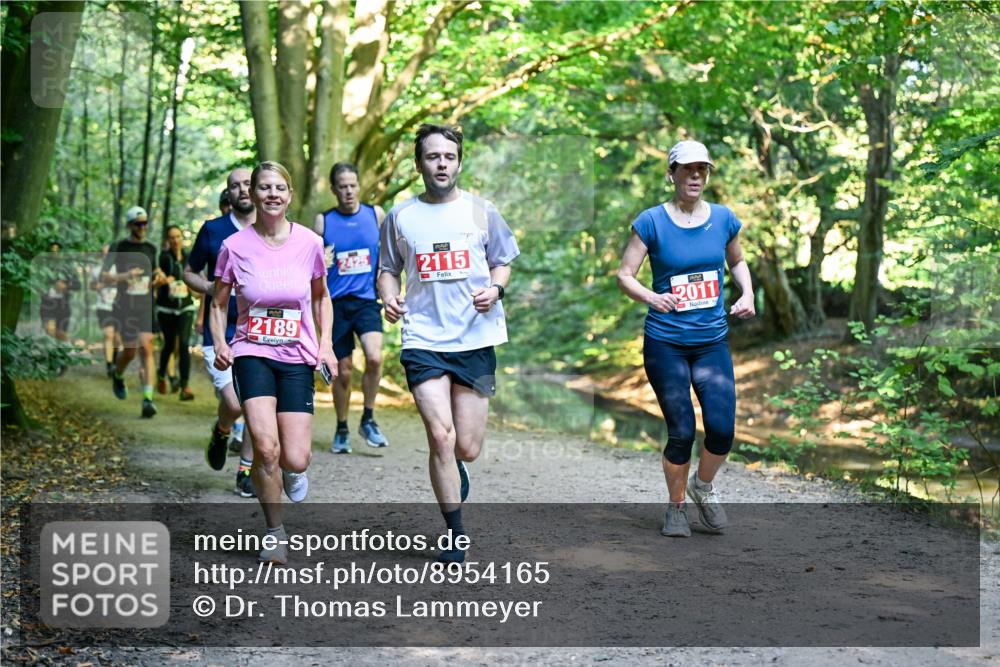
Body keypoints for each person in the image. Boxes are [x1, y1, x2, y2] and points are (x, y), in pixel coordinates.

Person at [379, 124, 519, 563]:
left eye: (449, 156)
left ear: (459, 162)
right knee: (440, 436)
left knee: (466, 447)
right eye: (433, 156)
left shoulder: (481, 212)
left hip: (475, 339)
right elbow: (387, 269)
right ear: (419, 163)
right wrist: (387, 295)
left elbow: (503, 261)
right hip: (423, 338)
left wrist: (495, 290)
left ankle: (455, 467)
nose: (441, 163)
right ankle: (455, 531)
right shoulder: (400, 217)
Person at [616, 140, 755, 538]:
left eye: (702, 169)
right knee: (681, 430)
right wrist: (651, 297)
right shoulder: (651, 222)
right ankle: (676, 507)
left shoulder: (724, 219)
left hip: (711, 341)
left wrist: (746, 293)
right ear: (671, 174)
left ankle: (703, 486)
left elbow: (737, 261)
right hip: (666, 341)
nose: (695, 176)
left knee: (722, 430)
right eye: (687, 169)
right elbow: (625, 274)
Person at [210, 161, 335, 564]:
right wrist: (220, 342)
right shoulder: (235, 246)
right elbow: (218, 302)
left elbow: (320, 297)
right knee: (265, 448)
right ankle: (274, 533)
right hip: (252, 352)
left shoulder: (309, 243)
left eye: (280, 187)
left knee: (294, 456)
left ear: (290, 194)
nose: (272, 194)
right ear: (253, 193)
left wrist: (326, 345)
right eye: (264, 188)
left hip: (297, 354)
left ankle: (295, 471)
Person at [184, 169, 257, 496]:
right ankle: (222, 429)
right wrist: (211, 289)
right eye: (235, 186)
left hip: (261, 333)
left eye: (246, 184)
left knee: (257, 402)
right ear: (228, 193)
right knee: (234, 400)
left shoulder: (272, 229)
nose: (241, 190)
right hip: (221, 332)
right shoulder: (213, 231)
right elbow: (188, 271)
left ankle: (245, 472)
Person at [313, 162, 387, 453]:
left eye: (352, 185)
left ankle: (368, 418)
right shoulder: (324, 222)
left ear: (359, 186)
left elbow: (388, 257)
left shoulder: (375, 215)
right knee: (342, 371)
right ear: (334, 190)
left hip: (367, 301)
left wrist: (387, 287)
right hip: (336, 305)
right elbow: (313, 268)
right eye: (342, 186)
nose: (348, 191)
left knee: (375, 358)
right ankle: (342, 427)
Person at [102, 206, 168, 418]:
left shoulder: (151, 247)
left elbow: (155, 270)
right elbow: (104, 277)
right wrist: (126, 276)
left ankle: (148, 399)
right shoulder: (119, 246)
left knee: (147, 349)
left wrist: (159, 276)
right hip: (124, 306)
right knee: (129, 351)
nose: (143, 227)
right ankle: (118, 374)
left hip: (145, 305)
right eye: (139, 223)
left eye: (145, 223)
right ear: (130, 225)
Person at [156, 225, 197, 400]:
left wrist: (195, 289)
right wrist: (164, 281)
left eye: (178, 236)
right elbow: (157, 280)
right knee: (170, 345)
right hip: (166, 308)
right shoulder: (163, 258)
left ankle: (185, 386)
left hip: (185, 307)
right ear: (168, 240)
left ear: (182, 238)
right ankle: (161, 374)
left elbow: (196, 278)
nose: (175, 240)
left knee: (184, 344)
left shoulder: (189, 257)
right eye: (171, 237)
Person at [39, 241, 79, 344]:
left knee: (61, 332)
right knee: (49, 329)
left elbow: (78, 285)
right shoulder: (42, 267)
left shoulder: (68, 269)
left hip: (63, 304)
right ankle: (71, 345)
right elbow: (36, 283)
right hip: (48, 303)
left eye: (57, 250)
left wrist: (66, 286)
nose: (55, 254)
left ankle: (70, 346)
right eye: (52, 251)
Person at [92, 244, 121, 377]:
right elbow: (92, 285)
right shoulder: (97, 270)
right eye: (104, 253)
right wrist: (95, 286)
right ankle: (109, 365)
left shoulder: (119, 268)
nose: (106, 255)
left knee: (117, 337)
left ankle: (114, 361)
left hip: (119, 306)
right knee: (108, 334)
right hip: (103, 306)